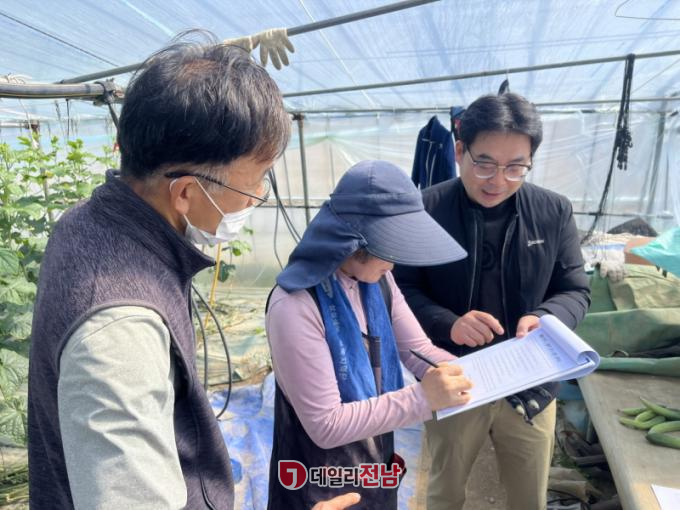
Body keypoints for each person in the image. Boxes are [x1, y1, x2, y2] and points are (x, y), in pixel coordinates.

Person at [27, 36, 291, 509]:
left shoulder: (91, 220)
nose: (258, 198)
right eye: (254, 185)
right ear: (186, 193)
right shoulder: (118, 333)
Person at [394, 93, 591, 510]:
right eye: (484, 164)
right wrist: (447, 322)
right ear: (459, 151)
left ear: (530, 161)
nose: (497, 180)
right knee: (445, 490)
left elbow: (575, 288)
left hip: (531, 380)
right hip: (454, 374)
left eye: (515, 167)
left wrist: (545, 317)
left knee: (529, 494)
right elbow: (400, 290)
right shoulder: (426, 210)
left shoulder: (552, 212)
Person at [265, 160, 474, 509]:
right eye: (387, 248)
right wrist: (423, 398)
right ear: (352, 241)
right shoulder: (296, 304)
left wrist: (482, 372)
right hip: (318, 481)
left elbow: (418, 350)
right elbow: (326, 424)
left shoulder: (379, 281)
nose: (393, 263)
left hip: (374, 463)